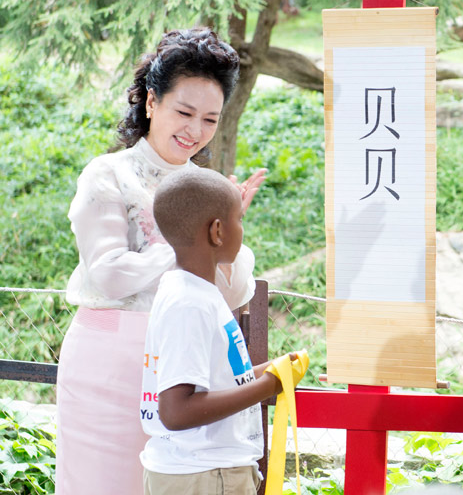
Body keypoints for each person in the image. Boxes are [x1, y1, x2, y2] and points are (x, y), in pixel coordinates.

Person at [56, 28, 267, 495]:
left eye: (210, 119)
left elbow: (227, 294)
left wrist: (227, 235)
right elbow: (108, 275)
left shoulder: (207, 187)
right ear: (151, 102)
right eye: (184, 112)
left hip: (188, 369)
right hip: (107, 367)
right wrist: (189, 239)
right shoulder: (108, 174)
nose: (195, 131)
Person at [141, 168, 306, 495]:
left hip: (207, 472)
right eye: (239, 220)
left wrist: (271, 371)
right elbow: (176, 410)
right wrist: (267, 387)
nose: (241, 229)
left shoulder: (198, 293)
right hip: (203, 476)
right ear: (217, 231)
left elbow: (216, 380)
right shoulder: (189, 303)